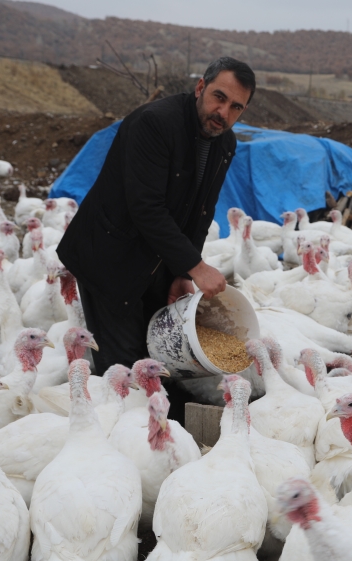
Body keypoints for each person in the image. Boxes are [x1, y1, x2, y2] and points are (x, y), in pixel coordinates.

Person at [57, 56, 255, 381]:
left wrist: (181, 271)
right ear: (200, 87)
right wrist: (197, 267)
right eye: (219, 97)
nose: (224, 113)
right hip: (110, 257)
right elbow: (146, 207)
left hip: (156, 256)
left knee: (157, 360)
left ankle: (158, 421)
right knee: (126, 370)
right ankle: (118, 421)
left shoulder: (225, 143)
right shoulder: (156, 123)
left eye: (236, 107)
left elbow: (201, 211)